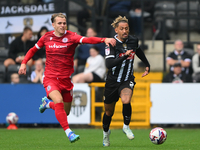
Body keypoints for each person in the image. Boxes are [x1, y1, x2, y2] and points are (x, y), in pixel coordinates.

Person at [18, 13, 116, 143]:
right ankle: (69, 132)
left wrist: (104, 40)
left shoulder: (72, 37)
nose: (63, 25)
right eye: (59, 23)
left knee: (66, 111)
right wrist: (24, 63)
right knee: (58, 100)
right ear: (53, 25)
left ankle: (47, 104)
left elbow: (87, 40)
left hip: (66, 80)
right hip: (50, 78)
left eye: (64, 23)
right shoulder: (46, 37)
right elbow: (32, 50)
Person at [102, 16, 150, 147]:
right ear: (116, 29)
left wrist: (147, 64)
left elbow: (138, 50)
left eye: (126, 28)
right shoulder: (111, 43)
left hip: (127, 78)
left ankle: (126, 126)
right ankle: (106, 134)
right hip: (112, 81)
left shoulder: (133, 40)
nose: (125, 31)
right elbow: (109, 63)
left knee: (126, 100)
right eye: (122, 29)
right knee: (108, 112)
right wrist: (124, 56)